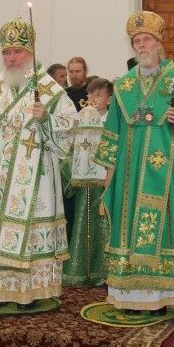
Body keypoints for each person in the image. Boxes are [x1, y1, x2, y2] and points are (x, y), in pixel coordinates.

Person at [0, 18, 76, 308]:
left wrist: (46, 118)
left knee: (31, 233)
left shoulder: (49, 89)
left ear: (30, 53)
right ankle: (0, 290)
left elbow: (69, 127)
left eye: (17, 52)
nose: (11, 58)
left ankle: (31, 293)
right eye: (6, 53)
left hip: (38, 179)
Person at [93, 11, 174, 311]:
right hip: (128, 176)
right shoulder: (123, 87)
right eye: (136, 42)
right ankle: (129, 297)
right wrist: (109, 179)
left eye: (147, 40)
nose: (141, 46)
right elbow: (112, 134)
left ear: (159, 45)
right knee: (128, 230)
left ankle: (161, 296)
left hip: (165, 175)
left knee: (164, 228)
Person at [62, 77, 112, 286]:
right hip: (85, 183)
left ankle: (105, 271)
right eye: (90, 94)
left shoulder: (113, 120)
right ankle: (81, 270)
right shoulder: (81, 117)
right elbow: (70, 146)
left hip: (106, 182)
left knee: (104, 226)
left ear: (109, 100)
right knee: (84, 224)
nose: (93, 98)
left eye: (98, 95)